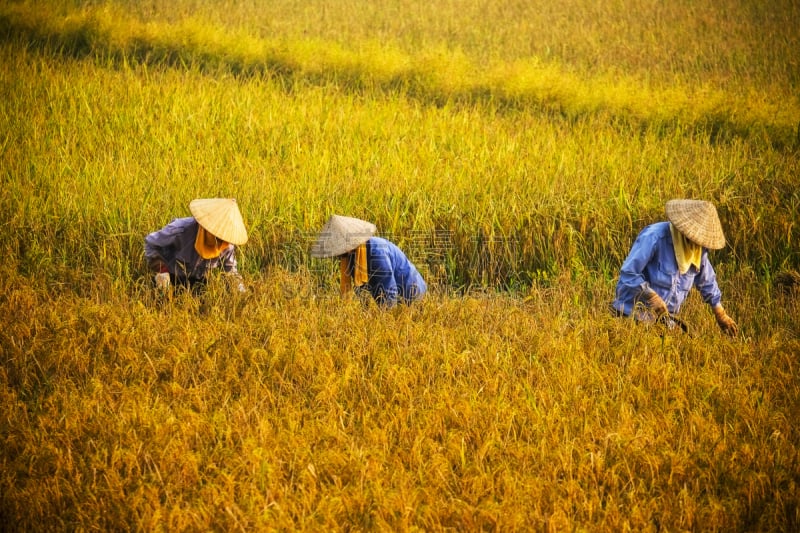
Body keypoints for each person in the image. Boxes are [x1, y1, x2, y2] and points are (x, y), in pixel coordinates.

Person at [611, 199, 738, 336]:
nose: (697, 244)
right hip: (630, 316)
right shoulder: (654, 236)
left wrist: (720, 313)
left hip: (663, 324)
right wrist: (651, 296)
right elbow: (628, 273)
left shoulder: (697, 250)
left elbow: (707, 282)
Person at [311, 214, 427, 307]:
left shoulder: (377, 254)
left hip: (410, 291)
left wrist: (388, 321)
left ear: (349, 247)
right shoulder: (350, 257)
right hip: (390, 294)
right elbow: (361, 287)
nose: (338, 256)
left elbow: (390, 291)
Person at [144, 198, 248, 293]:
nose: (219, 242)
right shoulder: (180, 230)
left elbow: (231, 272)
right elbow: (151, 243)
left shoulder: (226, 244)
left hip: (199, 282)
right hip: (172, 278)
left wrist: (242, 292)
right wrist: (161, 270)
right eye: (217, 236)